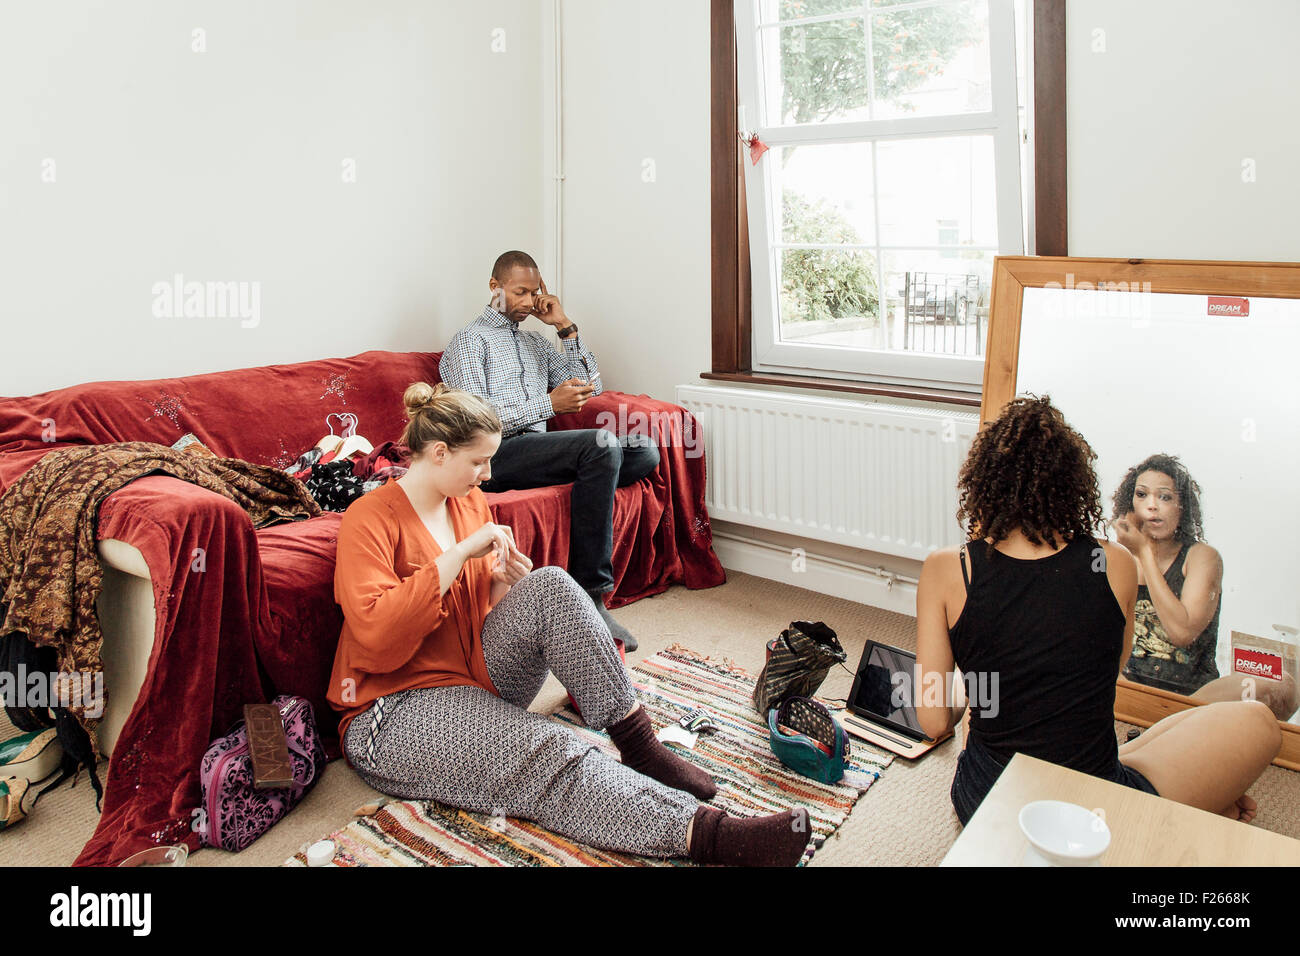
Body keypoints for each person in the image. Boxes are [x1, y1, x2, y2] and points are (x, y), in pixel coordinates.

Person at [325, 382, 810, 866]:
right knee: (548, 747)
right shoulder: (368, 519)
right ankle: (709, 837)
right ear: (437, 453)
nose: (488, 474)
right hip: (392, 709)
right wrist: (457, 555)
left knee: (551, 584)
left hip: (470, 672)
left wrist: (499, 585)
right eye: (478, 462)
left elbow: (472, 615)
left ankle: (638, 744)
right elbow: (378, 633)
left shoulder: (467, 503)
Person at [915, 395, 1280, 826]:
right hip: (1091, 797)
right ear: (1073, 482)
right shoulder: (1116, 562)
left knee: (1169, 729)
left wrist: (977, 685)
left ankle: (1193, 801)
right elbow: (1110, 669)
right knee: (1258, 719)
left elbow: (935, 721)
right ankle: (1191, 807)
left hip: (986, 799)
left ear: (983, 483)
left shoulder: (947, 568)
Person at [439, 250, 658, 651]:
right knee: (601, 445)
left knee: (645, 451)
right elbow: (474, 424)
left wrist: (564, 326)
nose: (527, 301)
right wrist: (547, 406)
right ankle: (590, 594)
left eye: (533, 292)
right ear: (495, 288)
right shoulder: (469, 342)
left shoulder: (536, 343)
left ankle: (594, 472)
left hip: (537, 449)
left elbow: (589, 382)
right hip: (495, 454)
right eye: (519, 292)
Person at [1113, 454, 1297, 718]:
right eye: (1141, 494)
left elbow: (1182, 633)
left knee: (1283, 685)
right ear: (1129, 504)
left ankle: (1172, 717)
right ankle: (1157, 715)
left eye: (1164, 497)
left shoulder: (1202, 557)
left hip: (1196, 696)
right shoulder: (1117, 558)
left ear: (1182, 507)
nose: (1152, 505)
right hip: (1131, 687)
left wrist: (1144, 554)